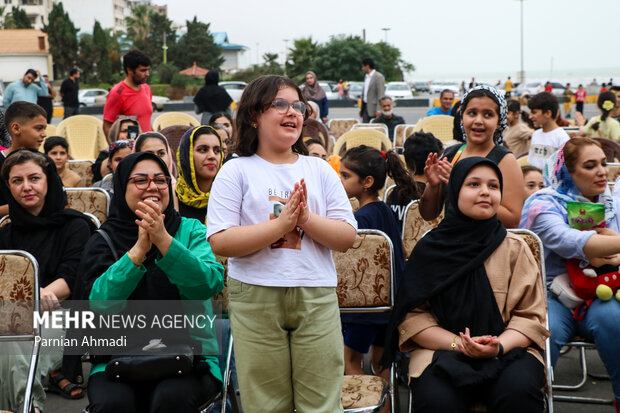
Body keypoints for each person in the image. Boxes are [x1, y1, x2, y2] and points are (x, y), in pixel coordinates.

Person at [206, 74, 357, 412]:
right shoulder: (236, 171)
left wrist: (304, 220)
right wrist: (281, 226)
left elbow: (347, 236)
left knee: (320, 403)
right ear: (253, 115)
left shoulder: (318, 169)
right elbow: (220, 241)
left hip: (315, 295)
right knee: (266, 403)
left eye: (298, 106)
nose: (293, 112)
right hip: (255, 294)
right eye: (280, 104)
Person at [382, 156, 549, 413]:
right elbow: (413, 318)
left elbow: (531, 318)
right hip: (442, 352)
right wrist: (458, 344)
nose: (485, 192)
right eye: (473, 184)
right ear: (455, 191)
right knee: (437, 401)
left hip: (509, 351)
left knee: (518, 392)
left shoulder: (516, 249)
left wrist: (499, 346)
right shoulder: (430, 250)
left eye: (493, 186)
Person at [76, 152, 224, 413]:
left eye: (160, 180)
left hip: (192, 354)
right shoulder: (103, 238)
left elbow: (208, 284)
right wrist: (137, 252)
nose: (152, 187)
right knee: (113, 405)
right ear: (122, 187)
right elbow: (98, 304)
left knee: (169, 401)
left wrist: (163, 240)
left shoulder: (191, 230)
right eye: (140, 180)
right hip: (117, 356)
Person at [520, 138, 620, 411]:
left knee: (614, 318)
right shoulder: (542, 204)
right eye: (590, 166)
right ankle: (533, 402)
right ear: (568, 173)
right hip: (551, 293)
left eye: (603, 163)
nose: (602, 171)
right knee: (540, 332)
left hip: (599, 291)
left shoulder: (609, 203)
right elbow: (568, 241)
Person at [0, 149, 94, 412]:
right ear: (8, 186)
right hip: (13, 314)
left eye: (34, 178)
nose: (26, 187)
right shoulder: (7, 232)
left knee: (20, 347)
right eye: (17, 181)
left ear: (48, 181)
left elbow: (72, 276)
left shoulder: (76, 226)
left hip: (62, 311)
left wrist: (39, 295)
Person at [338, 145, 406, 413]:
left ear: (366, 182)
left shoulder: (359, 219)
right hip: (389, 306)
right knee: (381, 367)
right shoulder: (385, 210)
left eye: (345, 176)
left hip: (362, 311)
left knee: (351, 363)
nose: (341, 181)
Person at [419, 85, 524, 229]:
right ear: (461, 117)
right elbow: (428, 214)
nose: (478, 120)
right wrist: (433, 185)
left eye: (488, 114)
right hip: (450, 239)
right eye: (472, 113)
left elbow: (512, 220)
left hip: (486, 244)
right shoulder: (450, 155)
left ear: (499, 121)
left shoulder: (505, 160)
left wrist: (460, 187)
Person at [0, 102, 48, 217]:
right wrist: (27, 202)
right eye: (38, 128)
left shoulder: (45, 162)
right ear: (16, 128)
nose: (44, 134)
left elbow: (60, 204)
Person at [175, 125, 223, 223]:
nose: (212, 156)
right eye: (203, 149)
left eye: (217, 151)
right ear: (186, 155)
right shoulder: (170, 198)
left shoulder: (229, 197)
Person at [103, 49, 152, 137]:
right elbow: (107, 126)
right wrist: (116, 148)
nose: (147, 74)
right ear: (129, 70)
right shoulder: (117, 93)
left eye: (148, 70)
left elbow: (146, 121)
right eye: (143, 70)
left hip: (146, 145)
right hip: (129, 146)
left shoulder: (146, 88)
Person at [527, 92, 570, 169]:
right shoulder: (536, 134)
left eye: (534, 112)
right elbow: (531, 163)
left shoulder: (562, 138)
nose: (530, 116)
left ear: (548, 113)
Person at [360, 57, 386, 123]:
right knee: (365, 129)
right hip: (365, 108)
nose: (362, 69)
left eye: (363, 66)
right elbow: (365, 94)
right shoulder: (366, 77)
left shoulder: (378, 77)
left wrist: (379, 110)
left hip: (374, 109)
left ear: (367, 66)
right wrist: (362, 109)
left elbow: (380, 94)